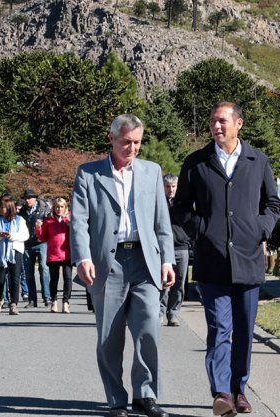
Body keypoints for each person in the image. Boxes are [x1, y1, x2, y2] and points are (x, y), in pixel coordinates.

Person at [172, 102, 280, 415]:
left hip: (248, 260)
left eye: (222, 121)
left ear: (239, 124)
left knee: (245, 330)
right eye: (212, 122)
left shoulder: (258, 161)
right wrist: (203, 229)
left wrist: (260, 228)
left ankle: (238, 389)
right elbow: (180, 209)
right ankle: (221, 393)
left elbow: (272, 203)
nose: (216, 127)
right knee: (220, 328)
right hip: (212, 260)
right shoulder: (196, 163)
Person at [71, 114, 175, 417]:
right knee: (109, 337)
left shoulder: (151, 171)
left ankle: (146, 395)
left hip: (145, 261)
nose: (132, 148)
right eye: (126, 142)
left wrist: (167, 260)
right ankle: (116, 400)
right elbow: (79, 221)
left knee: (148, 330)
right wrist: (83, 257)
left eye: (138, 143)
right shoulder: (88, 174)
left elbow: (161, 221)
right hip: (108, 263)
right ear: (112, 138)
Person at [0, 195, 29, 315]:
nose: (1, 209)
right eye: (0, 207)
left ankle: (13, 303)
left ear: (10, 208)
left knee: (14, 279)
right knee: (0, 279)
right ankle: (0, 300)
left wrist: (12, 236)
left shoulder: (19, 220)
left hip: (15, 252)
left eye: (3, 207)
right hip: (0, 252)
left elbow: (25, 236)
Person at [160, 174, 190, 327]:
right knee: (164, 282)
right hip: (163, 248)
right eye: (167, 186)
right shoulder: (158, 201)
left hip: (181, 247)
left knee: (179, 283)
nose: (170, 190)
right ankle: (159, 312)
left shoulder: (183, 203)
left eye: (173, 186)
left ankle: (173, 313)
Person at [37, 197, 73, 313]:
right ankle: (54, 301)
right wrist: (38, 228)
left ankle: (66, 302)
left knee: (67, 278)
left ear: (65, 208)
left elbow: (78, 234)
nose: (59, 209)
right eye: (57, 206)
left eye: (62, 206)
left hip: (67, 253)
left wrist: (71, 225)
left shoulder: (70, 218)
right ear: (54, 208)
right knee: (54, 279)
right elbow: (43, 238)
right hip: (53, 254)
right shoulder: (48, 221)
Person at [19, 188, 52, 307]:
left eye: (29, 198)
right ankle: (32, 300)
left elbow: (50, 225)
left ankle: (47, 297)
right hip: (27, 244)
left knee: (44, 269)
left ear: (35, 198)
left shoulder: (45, 209)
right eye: (25, 198)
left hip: (41, 242)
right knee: (28, 273)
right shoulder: (22, 211)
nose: (27, 201)